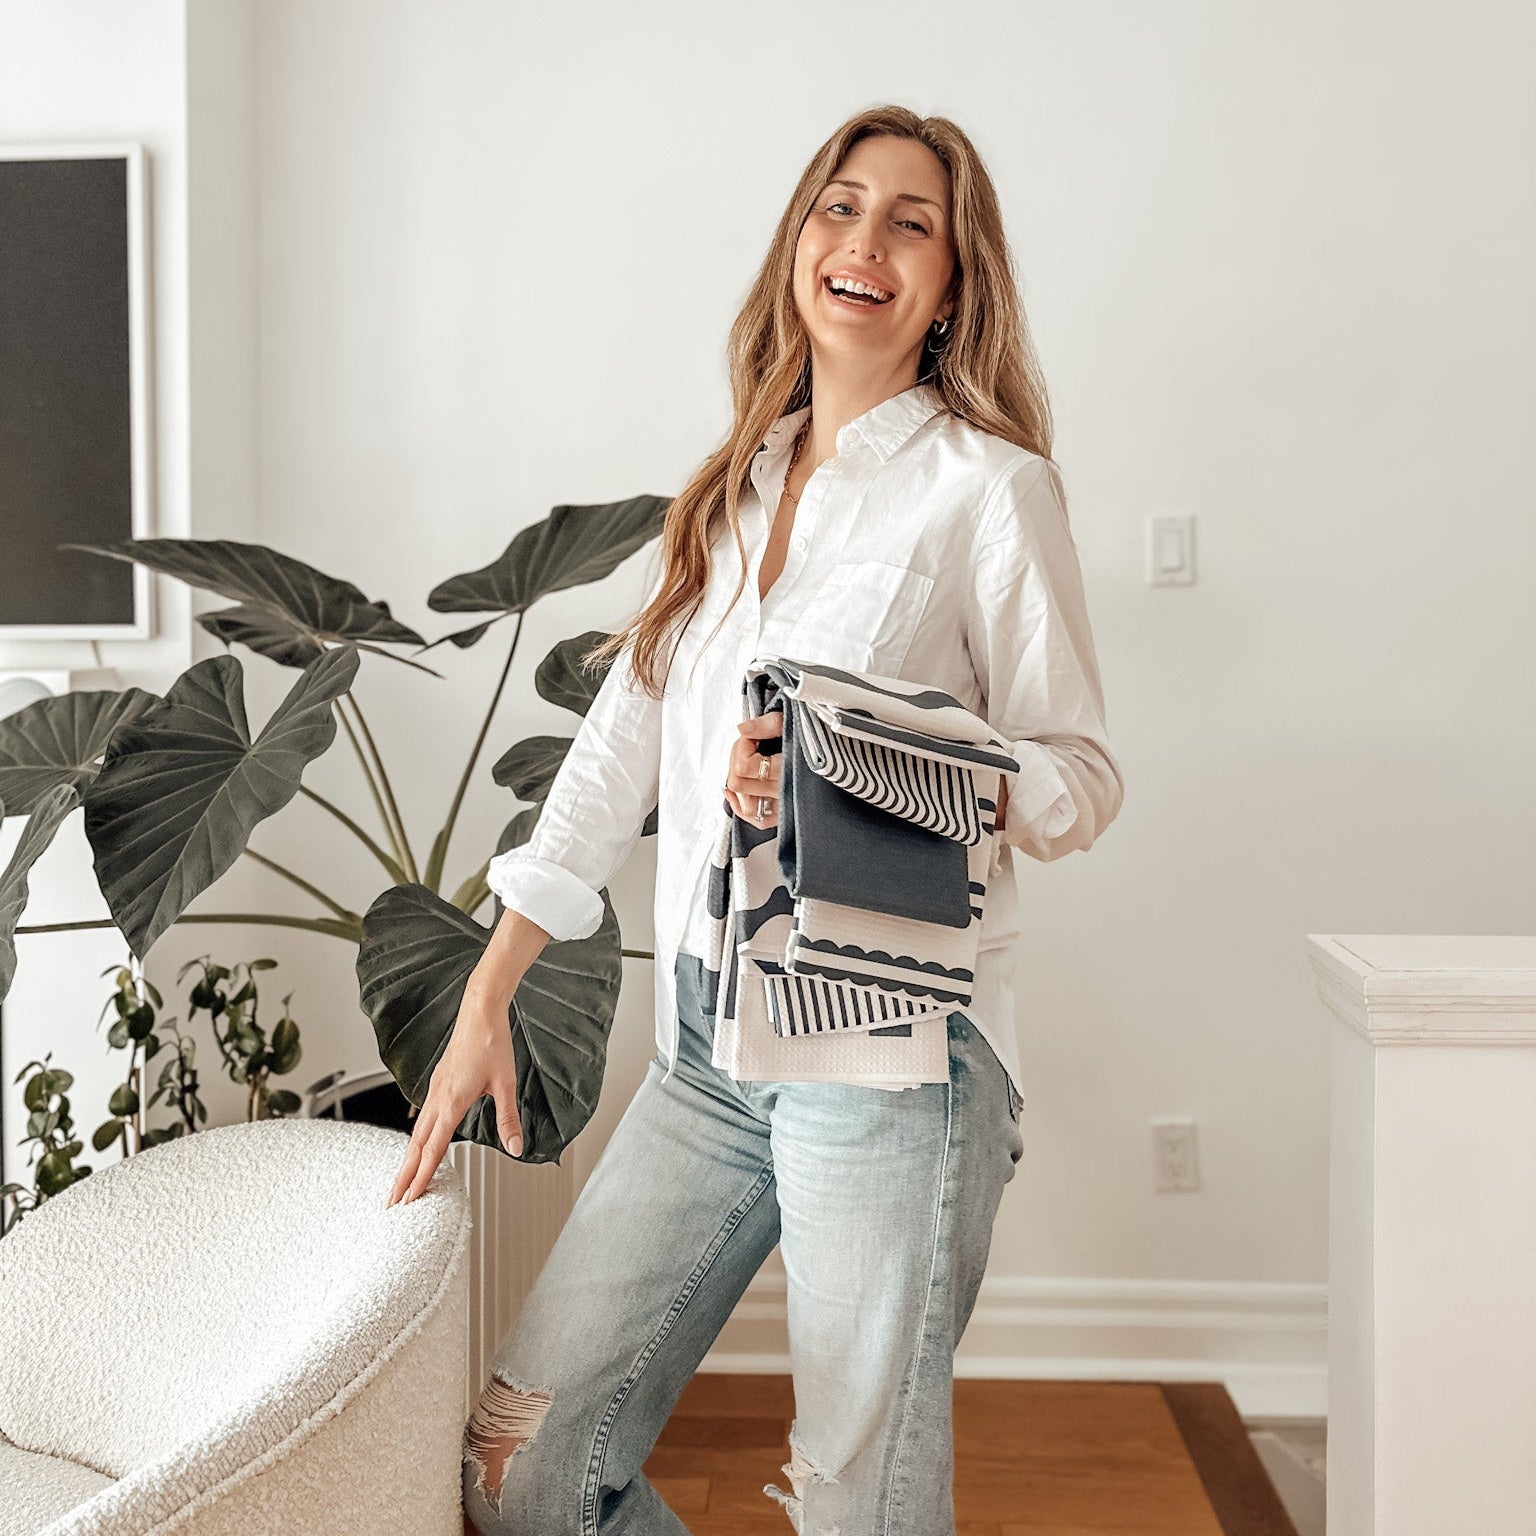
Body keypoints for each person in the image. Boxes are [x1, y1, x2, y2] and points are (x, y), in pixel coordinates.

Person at [390, 104, 1124, 1536]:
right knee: (519, 1469)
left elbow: (1077, 781)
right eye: (840, 207)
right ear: (799, 244)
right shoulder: (728, 493)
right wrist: (489, 990)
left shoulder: (989, 492)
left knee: (858, 1504)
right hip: (705, 1049)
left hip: (892, 1059)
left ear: (952, 283)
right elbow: (615, 751)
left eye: (911, 222)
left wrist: (857, 763)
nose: (866, 242)